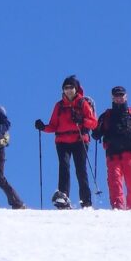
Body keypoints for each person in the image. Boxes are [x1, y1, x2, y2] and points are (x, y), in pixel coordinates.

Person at [35, 75, 98, 209]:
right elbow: (53, 125)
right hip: (62, 141)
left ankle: (86, 201)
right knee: (64, 168)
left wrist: (81, 121)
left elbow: (93, 123)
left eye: (71, 88)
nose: (68, 90)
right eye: (66, 88)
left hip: (79, 140)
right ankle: (63, 198)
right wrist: (43, 127)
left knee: (81, 170)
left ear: (76, 89)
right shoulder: (59, 106)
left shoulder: (82, 103)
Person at [91, 86, 131, 210]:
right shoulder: (106, 116)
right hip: (113, 155)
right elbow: (96, 134)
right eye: (116, 96)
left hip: (130, 154)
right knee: (114, 182)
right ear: (112, 98)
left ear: (125, 97)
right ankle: (118, 208)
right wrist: (96, 130)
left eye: (121, 96)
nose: (119, 98)